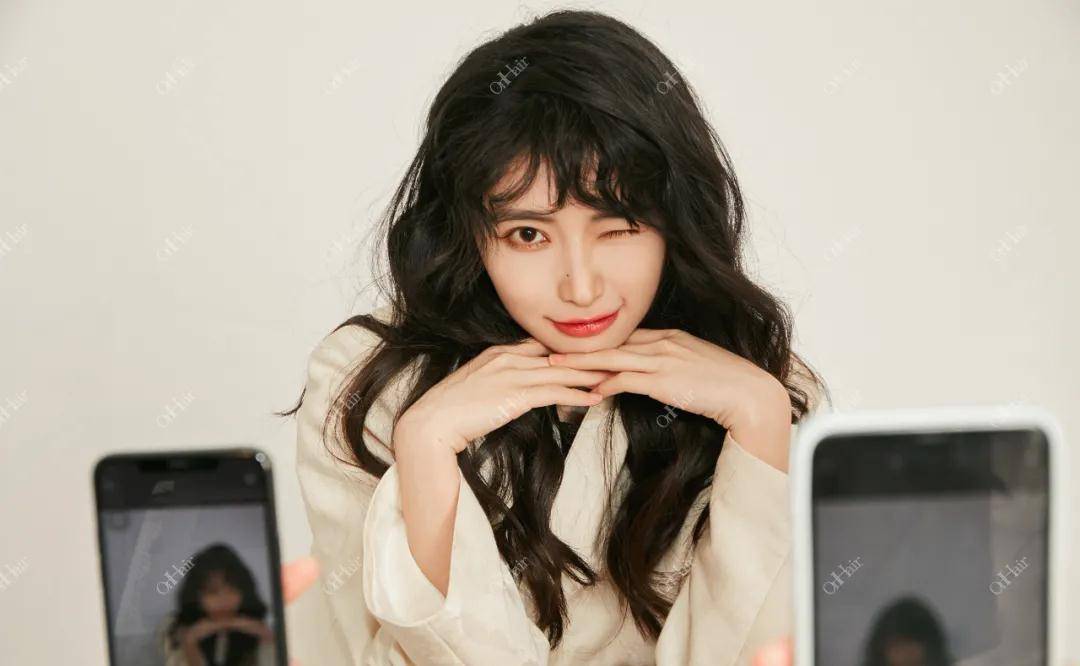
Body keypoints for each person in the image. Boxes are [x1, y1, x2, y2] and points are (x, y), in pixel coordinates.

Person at [281, 8, 827, 665]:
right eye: (528, 234)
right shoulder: (368, 386)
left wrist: (760, 423)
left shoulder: (761, 386)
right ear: (469, 236)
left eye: (618, 226)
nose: (581, 288)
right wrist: (425, 447)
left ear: (673, 222)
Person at [162, 544, 275, 666]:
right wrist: (190, 644)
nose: (224, 600)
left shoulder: (261, 625)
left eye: (232, 591)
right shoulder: (173, 629)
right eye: (213, 592)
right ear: (195, 595)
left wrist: (267, 639)